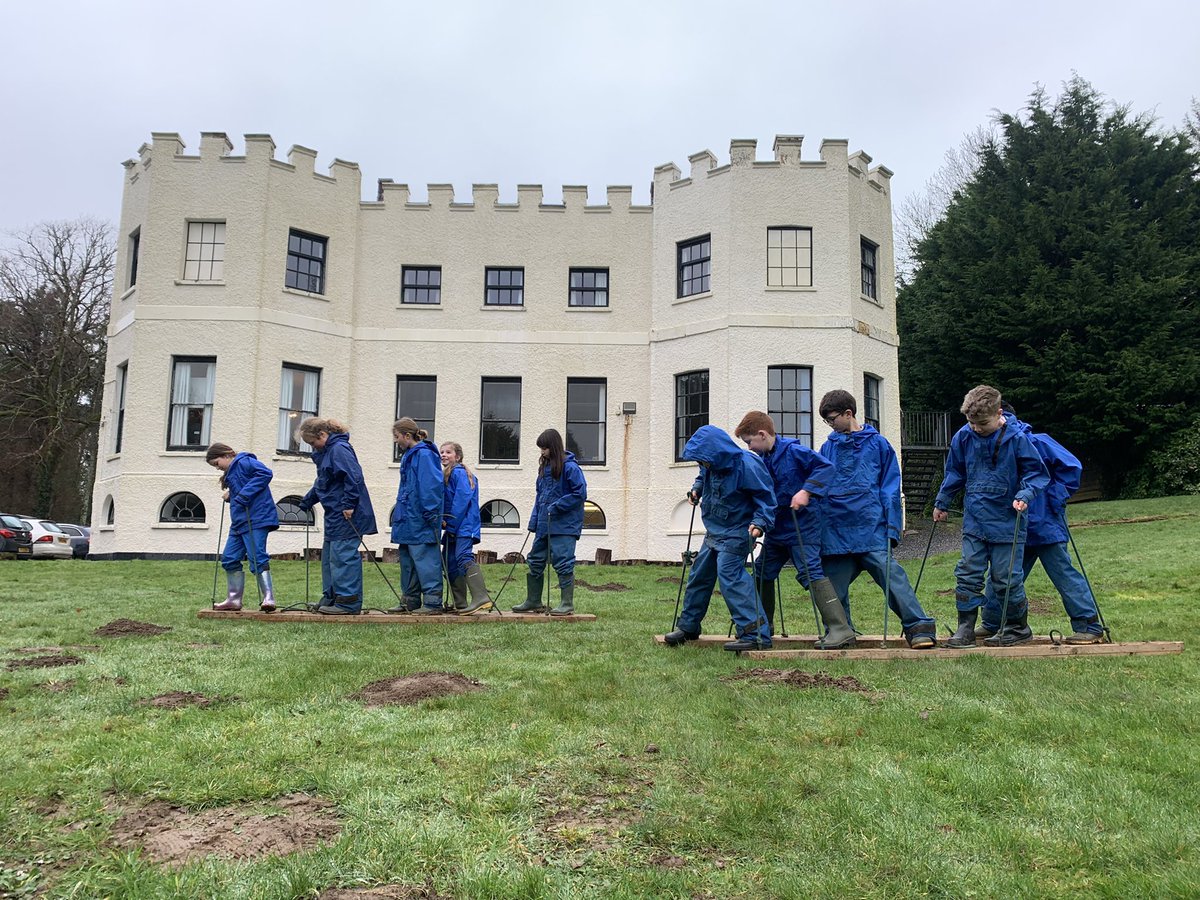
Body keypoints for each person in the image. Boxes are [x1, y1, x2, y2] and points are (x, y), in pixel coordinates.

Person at [817, 390, 938, 649]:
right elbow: (820, 487)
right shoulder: (827, 448)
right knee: (832, 588)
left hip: (871, 528)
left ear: (849, 414)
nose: (830, 425)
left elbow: (890, 488)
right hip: (836, 532)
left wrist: (893, 527)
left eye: (832, 419)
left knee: (893, 578)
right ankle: (840, 632)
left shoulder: (879, 445)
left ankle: (919, 628)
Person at [978, 406, 1105, 644]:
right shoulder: (993, 446)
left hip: (1045, 524)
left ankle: (1089, 625)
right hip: (1014, 525)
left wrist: (1053, 499)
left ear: (1001, 415)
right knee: (1000, 575)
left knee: (1063, 574)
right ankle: (992, 623)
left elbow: (1072, 467)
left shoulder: (1037, 441)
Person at [933, 385, 1049, 646]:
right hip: (974, 519)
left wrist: (1025, 495)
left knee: (1006, 577)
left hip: (1009, 520)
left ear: (999, 413)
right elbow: (955, 472)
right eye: (971, 422)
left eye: (982, 422)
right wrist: (942, 502)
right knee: (968, 572)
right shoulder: (963, 437)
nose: (976, 428)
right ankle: (965, 629)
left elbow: (1036, 473)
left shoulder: (1018, 439)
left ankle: (1017, 628)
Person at [733, 410, 850, 646]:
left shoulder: (795, 452)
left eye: (749, 442)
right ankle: (763, 625)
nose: (748, 447)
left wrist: (806, 491)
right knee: (762, 571)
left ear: (762, 434)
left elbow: (826, 468)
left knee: (810, 572)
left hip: (802, 526)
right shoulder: (759, 459)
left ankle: (840, 629)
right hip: (776, 530)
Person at [664, 424, 776, 652]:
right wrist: (697, 489)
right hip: (714, 530)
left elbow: (766, 499)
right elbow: (703, 476)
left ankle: (756, 634)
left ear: (716, 453)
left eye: (704, 461)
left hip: (738, 531)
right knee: (699, 575)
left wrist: (760, 523)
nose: (703, 465)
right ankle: (689, 626)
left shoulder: (747, 465)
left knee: (730, 576)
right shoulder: (711, 463)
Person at [296, 417, 377, 615]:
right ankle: (332, 597)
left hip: (346, 513)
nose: (313, 448)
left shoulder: (339, 449)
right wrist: (307, 501)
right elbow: (324, 482)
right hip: (334, 514)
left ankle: (348, 602)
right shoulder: (326, 453)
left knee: (343, 557)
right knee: (330, 559)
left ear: (323, 435)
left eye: (313, 443)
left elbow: (353, 476)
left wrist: (349, 504)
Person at [512, 429, 587, 616]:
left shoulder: (571, 468)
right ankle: (533, 601)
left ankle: (566, 603)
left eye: (545, 448)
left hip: (564, 526)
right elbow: (540, 498)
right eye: (540, 449)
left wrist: (558, 506)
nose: (542, 452)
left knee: (563, 562)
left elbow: (580, 494)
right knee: (535, 560)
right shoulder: (544, 469)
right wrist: (534, 521)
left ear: (553, 446)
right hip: (544, 525)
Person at [206, 442, 280, 612]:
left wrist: (242, 494)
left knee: (257, 556)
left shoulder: (245, 461)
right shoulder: (232, 472)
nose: (218, 469)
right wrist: (232, 494)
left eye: (217, 464)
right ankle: (234, 599)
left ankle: (268, 598)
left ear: (226, 455)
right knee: (230, 558)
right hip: (239, 522)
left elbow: (265, 473)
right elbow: (244, 485)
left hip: (256, 519)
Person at [388, 418, 444, 615]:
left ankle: (433, 602)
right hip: (408, 517)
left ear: (407, 435)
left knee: (426, 559)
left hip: (421, 518)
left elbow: (431, 485)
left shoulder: (425, 455)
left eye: (397, 437)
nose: (396, 441)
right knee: (407, 560)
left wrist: (430, 512)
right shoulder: (410, 456)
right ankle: (410, 600)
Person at [440, 441, 494, 615]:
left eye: (448, 452)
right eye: (441, 452)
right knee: (449, 561)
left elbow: (461, 500)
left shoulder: (460, 473)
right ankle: (460, 603)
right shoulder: (448, 475)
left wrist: (450, 522)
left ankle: (481, 597)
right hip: (454, 526)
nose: (443, 455)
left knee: (463, 557)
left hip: (463, 525)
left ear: (458, 456)